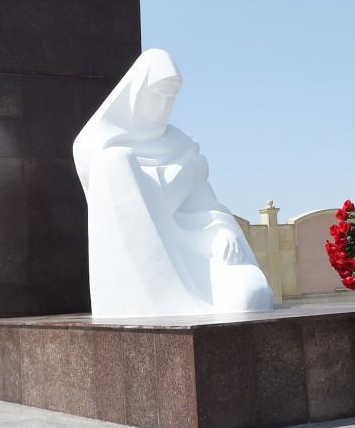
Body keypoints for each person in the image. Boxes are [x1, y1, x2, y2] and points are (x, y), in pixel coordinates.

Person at [73, 48, 274, 317]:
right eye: (158, 94)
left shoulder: (181, 144)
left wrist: (221, 233)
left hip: (195, 245)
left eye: (172, 97)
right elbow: (141, 211)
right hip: (144, 263)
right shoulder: (103, 146)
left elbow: (205, 204)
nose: (165, 104)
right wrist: (186, 174)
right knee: (115, 161)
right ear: (138, 93)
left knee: (251, 294)